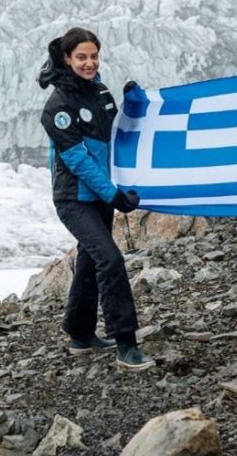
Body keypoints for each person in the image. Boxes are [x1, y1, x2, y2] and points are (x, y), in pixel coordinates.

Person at [38, 27, 155, 370]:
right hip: (74, 197)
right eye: (81, 57)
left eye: (93, 56)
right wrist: (114, 195)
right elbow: (76, 161)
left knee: (91, 259)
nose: (89, 63)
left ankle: (80, 333)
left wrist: (133, 103)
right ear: (66, 59)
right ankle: (126, 343)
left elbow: (117, 131)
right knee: (110, 260)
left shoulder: (100, 91)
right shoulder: (58, 106)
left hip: (101, 193)